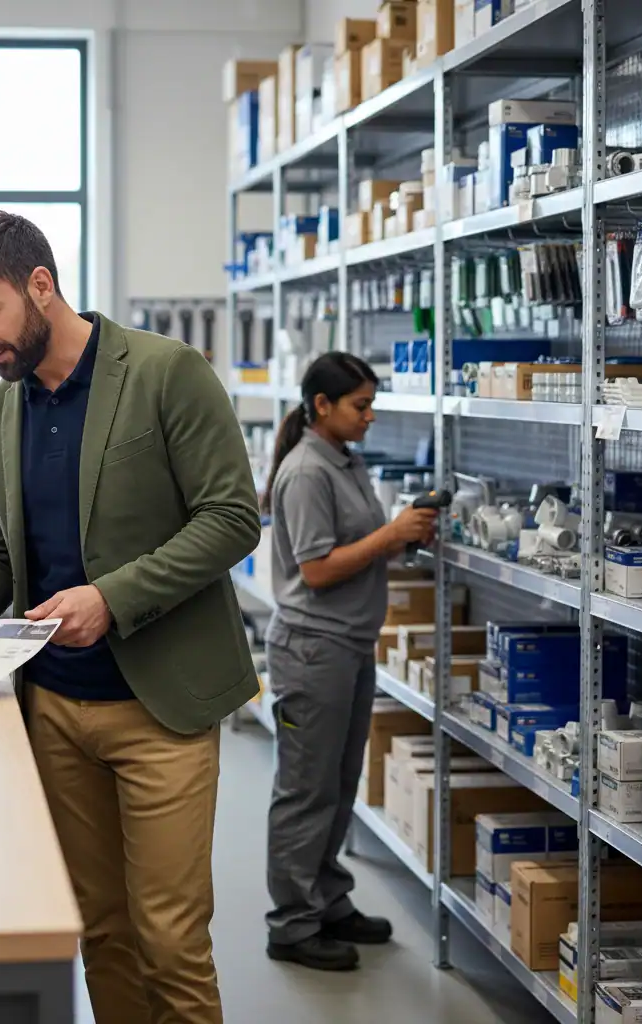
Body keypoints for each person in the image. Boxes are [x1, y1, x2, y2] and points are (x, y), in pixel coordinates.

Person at [0, 210, 261, 1024]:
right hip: (51, 708)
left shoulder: (166, 372)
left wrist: (113, 597)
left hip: (160, 706)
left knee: (169, 941)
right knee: (101, 932)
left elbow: (232, 518)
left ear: (41, 286)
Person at [261, 352, 438, 972]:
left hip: (348, 646)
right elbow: (317, 569)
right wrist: (390, 536)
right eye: (360, 406)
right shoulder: (307, 470)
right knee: (306, 791)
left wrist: (403, 534)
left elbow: (352, 548)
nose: (370, 416)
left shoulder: (345, 460)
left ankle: (327, 899)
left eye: (371, 405)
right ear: (322, 407)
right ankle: (292, 924)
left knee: (338, 786)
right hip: (314, 650)